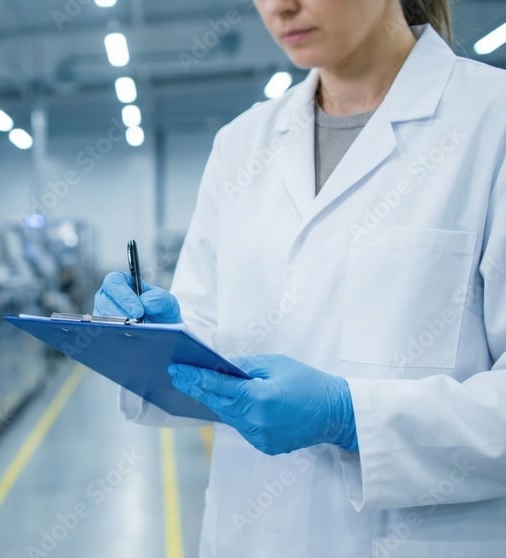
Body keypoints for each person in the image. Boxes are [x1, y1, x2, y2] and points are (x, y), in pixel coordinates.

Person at [94, 0, 506, 556]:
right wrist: (150, 342)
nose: (282, 7)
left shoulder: (491, 120)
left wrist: (350, 418)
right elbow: (209, 346)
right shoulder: (242, 145)